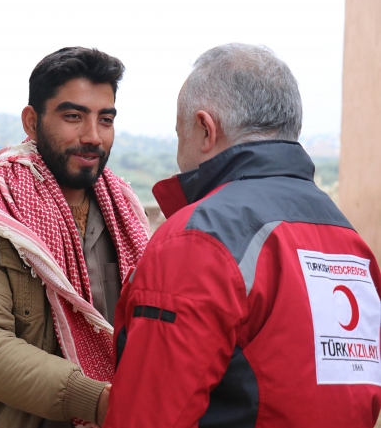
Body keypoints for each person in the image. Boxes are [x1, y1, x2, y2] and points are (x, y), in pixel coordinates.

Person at [103, 43, 381, 427]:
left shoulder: (198, 239)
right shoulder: (349, 242)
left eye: (178, 133)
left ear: (205, 128)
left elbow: (147, 415)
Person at [0, 47, 151, 427]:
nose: (93, 136)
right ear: (32, 122)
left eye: (106, 119)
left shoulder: (125, 215)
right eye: (73, 116)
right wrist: (102, 403)